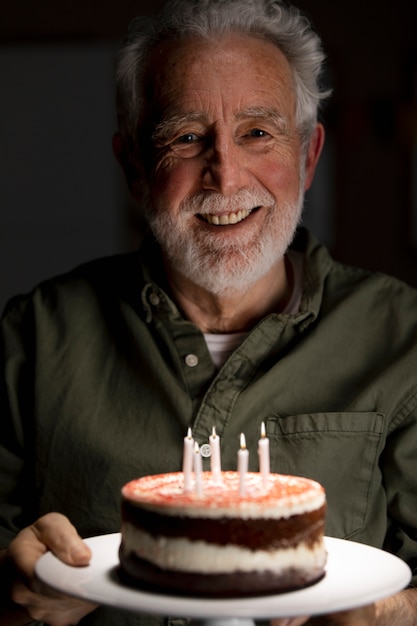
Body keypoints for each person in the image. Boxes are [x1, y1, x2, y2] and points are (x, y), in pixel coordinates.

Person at [0, 0, 416, 624]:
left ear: (307, 155)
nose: (224, 176)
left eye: (257, 132)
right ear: (134, 165)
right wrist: (14, 599)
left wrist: (391, 613)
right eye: (187, 137)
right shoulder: (31, 338)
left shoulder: (403, 338)